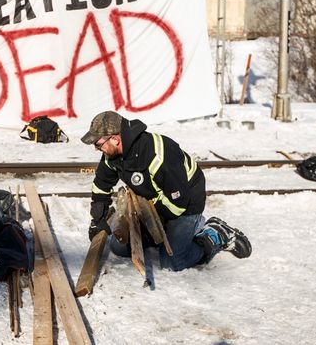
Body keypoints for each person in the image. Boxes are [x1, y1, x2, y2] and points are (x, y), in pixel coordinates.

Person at [81, 111, 251, 271]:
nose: (96, 149)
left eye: (98, 144)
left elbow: (178, 203)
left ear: (115, 139)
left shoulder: (159, 156)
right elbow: (102, 183)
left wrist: (155, 219)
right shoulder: (113, 155)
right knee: (120, 247)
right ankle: (159, 236)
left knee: (172, 262)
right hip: (155, 200)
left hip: (185, 200)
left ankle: (214, 234)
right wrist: (98, 217)